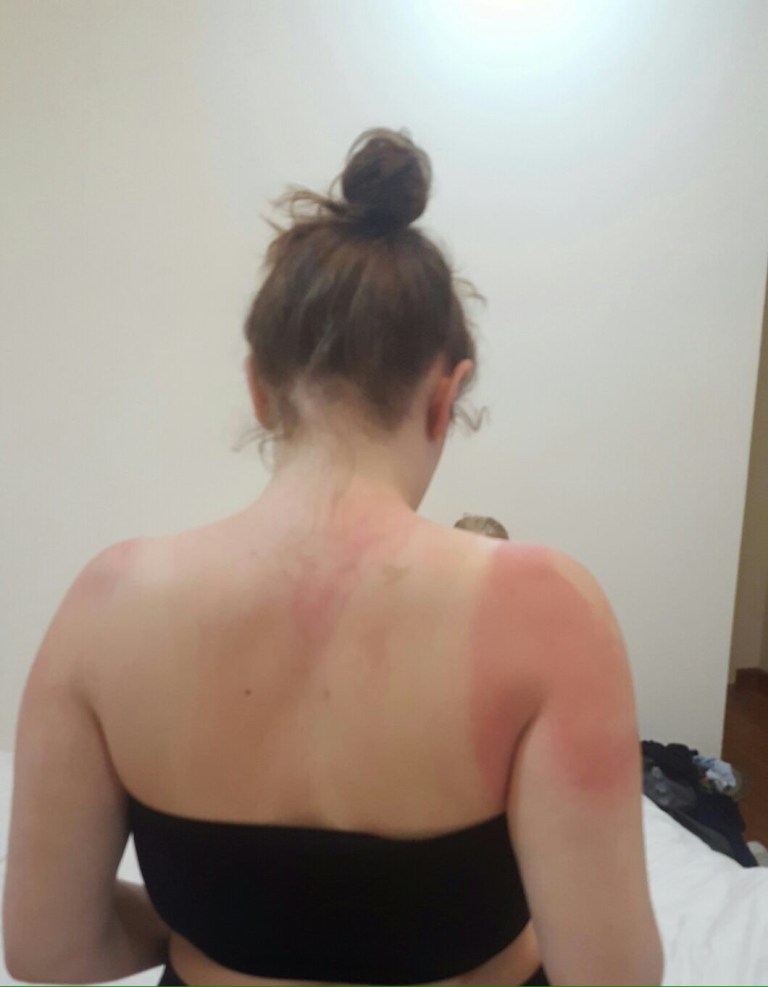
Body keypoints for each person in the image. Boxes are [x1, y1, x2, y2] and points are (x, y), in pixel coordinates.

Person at [2, 129, 663, 986]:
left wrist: (222, 929)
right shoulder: (552, 611)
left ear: (259, 388)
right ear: (445, 396)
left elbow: (48, 948)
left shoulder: (107, 606)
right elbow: (610, 974)